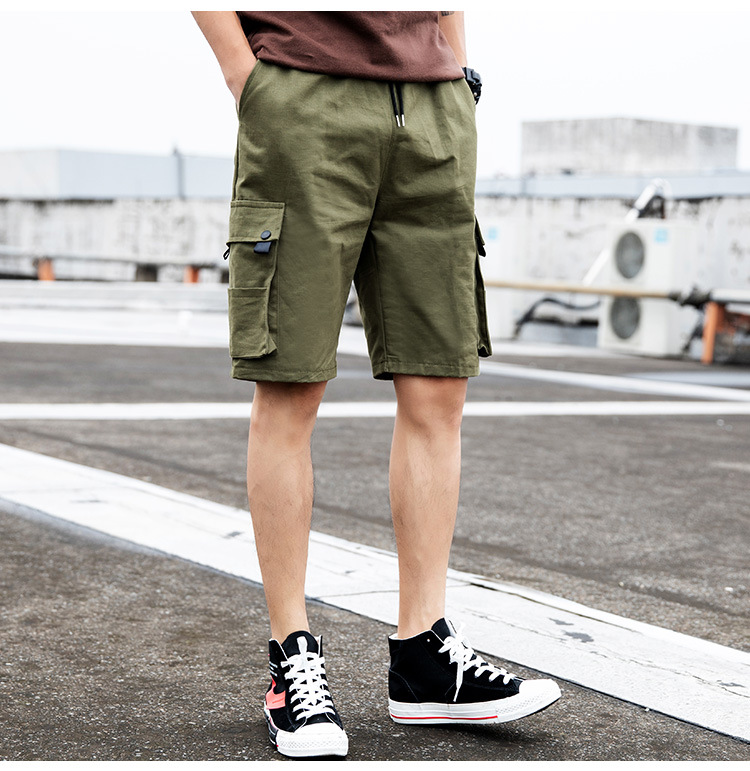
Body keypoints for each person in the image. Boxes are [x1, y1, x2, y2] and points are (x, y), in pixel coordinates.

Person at [191, 11, 561, 759]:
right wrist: (247, 78)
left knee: (440, 390)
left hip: (431, 108)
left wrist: (455, 72)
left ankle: (424, 657)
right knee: (290, 385)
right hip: (303, 97)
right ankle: (291, 657)